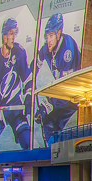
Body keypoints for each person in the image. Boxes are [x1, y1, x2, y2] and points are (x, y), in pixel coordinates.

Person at [0, 19, 32, 152]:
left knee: (27, 139)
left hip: (15, 107)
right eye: (11, 33)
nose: (13, 37)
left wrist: (28, 96)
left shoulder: (19, 52)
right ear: (4, 36)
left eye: (15, 33)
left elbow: (27, 78)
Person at [34, 14, 82, 145]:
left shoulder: (68, 49)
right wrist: (28, 87)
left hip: (74, 97)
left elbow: (66, 87)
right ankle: (53, 150)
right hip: (63, 97)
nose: (48, 40)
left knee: (50, 118)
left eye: (51, 36)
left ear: (59, 33)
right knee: (48, 121)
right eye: (47, 36)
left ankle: (57, 150)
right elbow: (34, 66)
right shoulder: (48, 48)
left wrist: (46, 105)